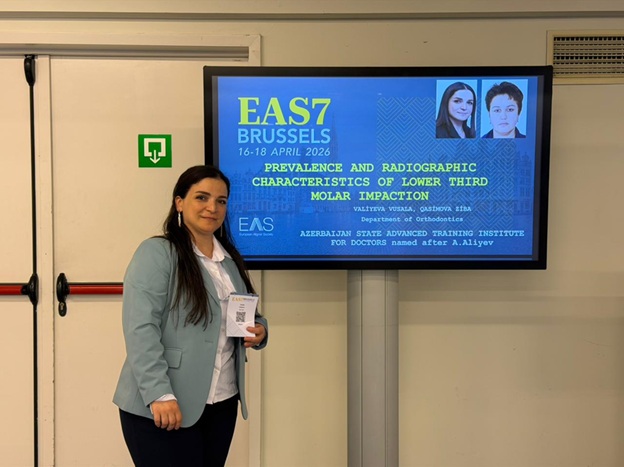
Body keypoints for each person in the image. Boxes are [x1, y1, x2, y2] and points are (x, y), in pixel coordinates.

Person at [113, 165, 268, 467]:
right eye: (202, 197)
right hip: (165, 403)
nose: (212, 208)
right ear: (179, 202)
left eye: (221, 201)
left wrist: (260, 329)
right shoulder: (157, 253)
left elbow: (244, 312)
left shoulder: (229, 260)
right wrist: (159, 394)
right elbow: (140, 328)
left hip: (221, 402)